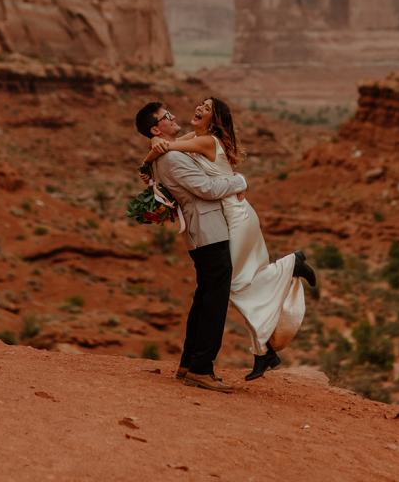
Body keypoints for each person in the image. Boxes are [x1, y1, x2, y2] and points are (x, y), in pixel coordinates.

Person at [144, 96, 317, 381]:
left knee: (232, 286)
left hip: (233, 215)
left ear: (215, 120)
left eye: (208, 108)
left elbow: (171, 148)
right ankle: (263, 350)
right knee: (229, 286)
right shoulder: (196, 138)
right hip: (224, 215)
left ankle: (288, 268)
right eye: (201, 104)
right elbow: (170, 147)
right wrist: (152, 147)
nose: (199, 108)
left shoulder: (206, 141)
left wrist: (153, 150)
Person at [135, 100, 247, 393]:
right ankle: (201, 368)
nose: (174, 118)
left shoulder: (165, 152)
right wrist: (238, 181)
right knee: (214, 302)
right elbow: (207, 190)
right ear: (155, 128)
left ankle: (189, 364)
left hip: (202, 231)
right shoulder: (170, 158)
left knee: (204, 298)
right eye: (166, 117)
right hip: (208, 231)